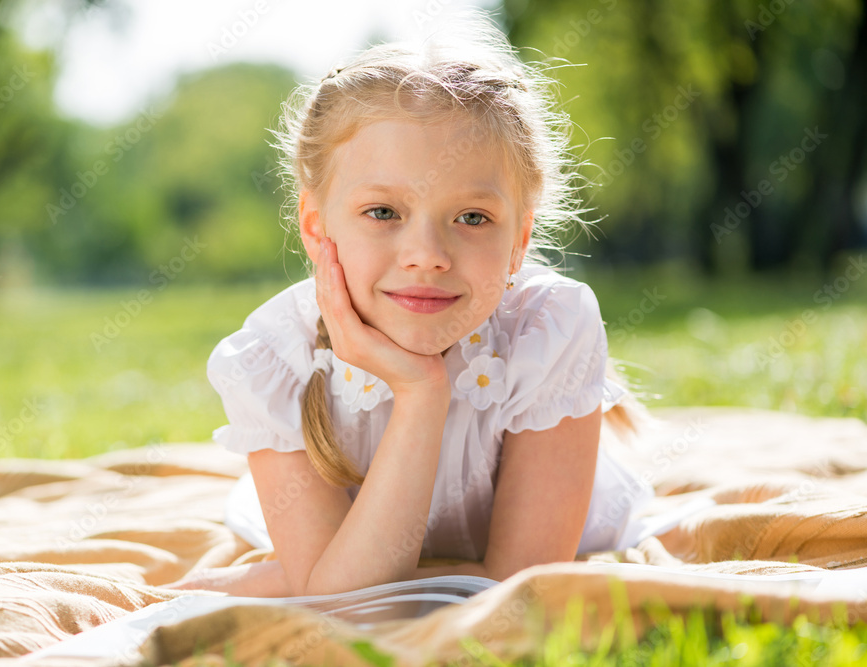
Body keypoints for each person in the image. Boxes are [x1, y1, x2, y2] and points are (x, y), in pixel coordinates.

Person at [166, 11, 653, 597]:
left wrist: (318, 578)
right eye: (383, 213)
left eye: (472, 217)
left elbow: (518, 588)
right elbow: (345, 607)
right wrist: (421, 393)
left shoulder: (550, 329)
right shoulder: (273, 360)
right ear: (318, 229)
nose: (426, 255)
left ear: (519, 241)